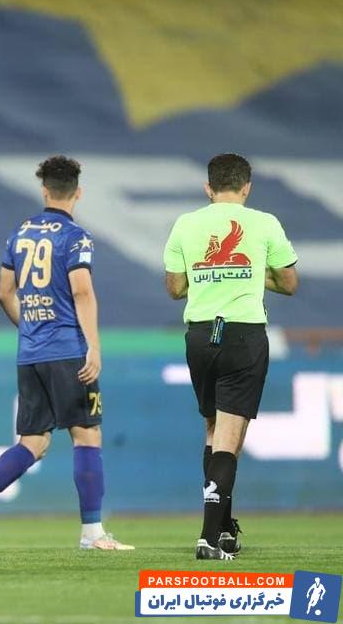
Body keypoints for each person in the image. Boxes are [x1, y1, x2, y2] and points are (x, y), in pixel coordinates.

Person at [0, 156, 133, 551]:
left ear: (44, 190)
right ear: (78, 192)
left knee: (33, 442)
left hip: (31, 353)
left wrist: (31, 327)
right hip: (68, 350)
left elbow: (4, 292)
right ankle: (92, 534)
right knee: (87, 435)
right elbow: (82, 291)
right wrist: (94, 346)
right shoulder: (76, 237)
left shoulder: (20, 234)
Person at [163, 153, 298, 561]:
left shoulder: (185, 224)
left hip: (200, 335)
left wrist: (210, 275)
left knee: (214, 429)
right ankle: (208, 537)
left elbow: (174, 288)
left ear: (208, 188)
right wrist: (251, 274)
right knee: (229, 436)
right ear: (246, 187)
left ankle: (223, 529)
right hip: (243, 334)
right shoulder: (265, 222)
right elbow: (289, 282)